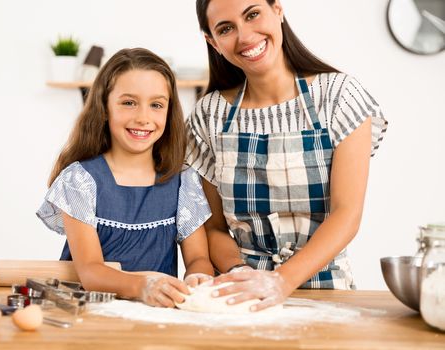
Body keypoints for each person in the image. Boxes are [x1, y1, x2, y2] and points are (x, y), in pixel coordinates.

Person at [186, 0, 388, 311]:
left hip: (327, 293)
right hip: (239, 295)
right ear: (212, 41)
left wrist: (280, 280)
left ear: (277, 10)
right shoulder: (209, 115)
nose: (245, 36)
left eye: (252, 14)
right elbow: (212, 228)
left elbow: (347, 214)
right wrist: (241, 274)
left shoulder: (339, 97)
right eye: (226, 29)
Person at [37, 48, 214, 308]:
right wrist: (142, 285)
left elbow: (198, 257)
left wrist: (199, 276)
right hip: (87, 317)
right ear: (105, 107)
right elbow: (90, 271)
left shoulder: (183, 181)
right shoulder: (80, 180)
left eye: (156, 105)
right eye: (129, 102)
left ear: (169, 111)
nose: (143, 118)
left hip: (156, 319)